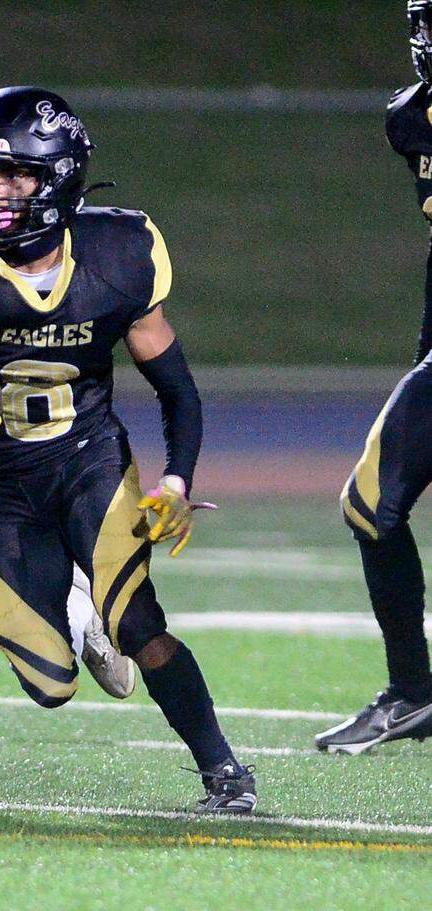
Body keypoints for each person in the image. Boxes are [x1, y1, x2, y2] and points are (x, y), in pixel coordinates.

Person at [0, 87, 257, 814]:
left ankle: (226, 772)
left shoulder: (118, 255)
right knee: (49, 682)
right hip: (0, 488)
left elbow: (178, 389)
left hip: (90, 461)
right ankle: (78, 614)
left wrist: (176, 481)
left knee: (141, 621)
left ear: (56, 179)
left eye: (10, 177)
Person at [318, 2, 432, 753]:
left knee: (370, 502)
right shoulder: (413, 119)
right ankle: (413, 693)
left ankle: (415, 692)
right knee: (371, 505)